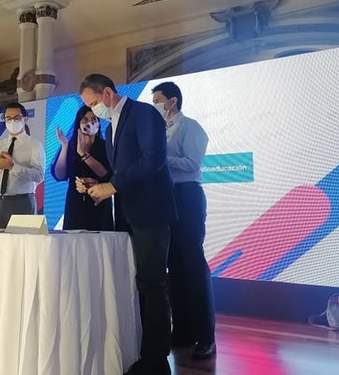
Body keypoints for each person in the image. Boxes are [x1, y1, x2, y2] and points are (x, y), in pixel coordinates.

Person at [77, 73, 177, 375]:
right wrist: (100, 184)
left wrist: (113, 186)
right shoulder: (111, 126)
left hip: (150, 211)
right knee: (133, 283)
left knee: (152, 283)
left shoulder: (143, 113)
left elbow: (153, 159)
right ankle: (137, 349)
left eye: (93, 104)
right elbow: (122, 172)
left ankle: (156, 359)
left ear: (108, 93)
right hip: (126, 214)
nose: (93, 111)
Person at [152, 81, 216, 359]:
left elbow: (192, 164)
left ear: (172, 101)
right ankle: (182, 332)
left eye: (158, 100)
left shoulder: (191, 127)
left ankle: (206, 336)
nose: (155, 105)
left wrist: (161, 158)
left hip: (187, 195)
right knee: (174, 266)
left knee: (193, 264)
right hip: (166, 197)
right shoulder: (158, 129)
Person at [0, 102, 44, 228]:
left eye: (17, 118)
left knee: (23, 239)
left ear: (25, 119)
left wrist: (12, 167)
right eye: (8, 118)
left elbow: (39, 176)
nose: (12, 121)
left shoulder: (34, 145)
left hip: (22, 201)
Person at [51, 105, 114, 231]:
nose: (89, 123)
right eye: (85, 119)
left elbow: (107, 174)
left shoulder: (106, 145)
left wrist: (84, 155)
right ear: (78, 123)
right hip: (75, 205)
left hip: (100, 203)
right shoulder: (70, 145)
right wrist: (64, 146)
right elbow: (60, 175)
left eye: (94, 119)